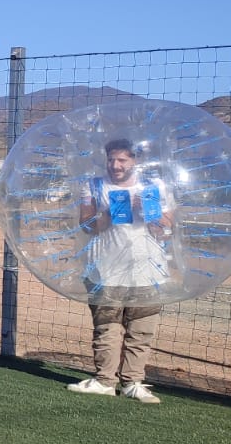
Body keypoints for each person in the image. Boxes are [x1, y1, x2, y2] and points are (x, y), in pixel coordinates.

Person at [66, 138, 176, 404]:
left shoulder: (154, 187)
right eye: (111, 160)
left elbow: (167, 227)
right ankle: (105, 380)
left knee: (141, 327)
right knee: (107, 327)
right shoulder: (94, 185)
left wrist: (149, 212)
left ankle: (133, 382)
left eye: (122, 160)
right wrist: (110, 213)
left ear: (134, 160)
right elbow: (87, 226)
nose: (115, 166)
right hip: (105, 268)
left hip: (147, 268)